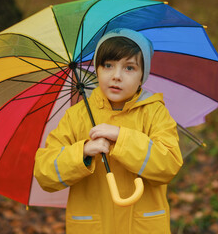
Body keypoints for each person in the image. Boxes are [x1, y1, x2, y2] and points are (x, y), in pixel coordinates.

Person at [34, 28, 183, 234]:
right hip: (92, 226)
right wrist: (83, 152)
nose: (116, 76)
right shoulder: (77, 116)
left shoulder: (155, 113)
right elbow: (45, 173)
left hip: (142, 227)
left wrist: (122, 138)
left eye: (129, 68)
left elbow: (168, 165)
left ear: (142, 76)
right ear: (97, 69)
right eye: (108, 65)